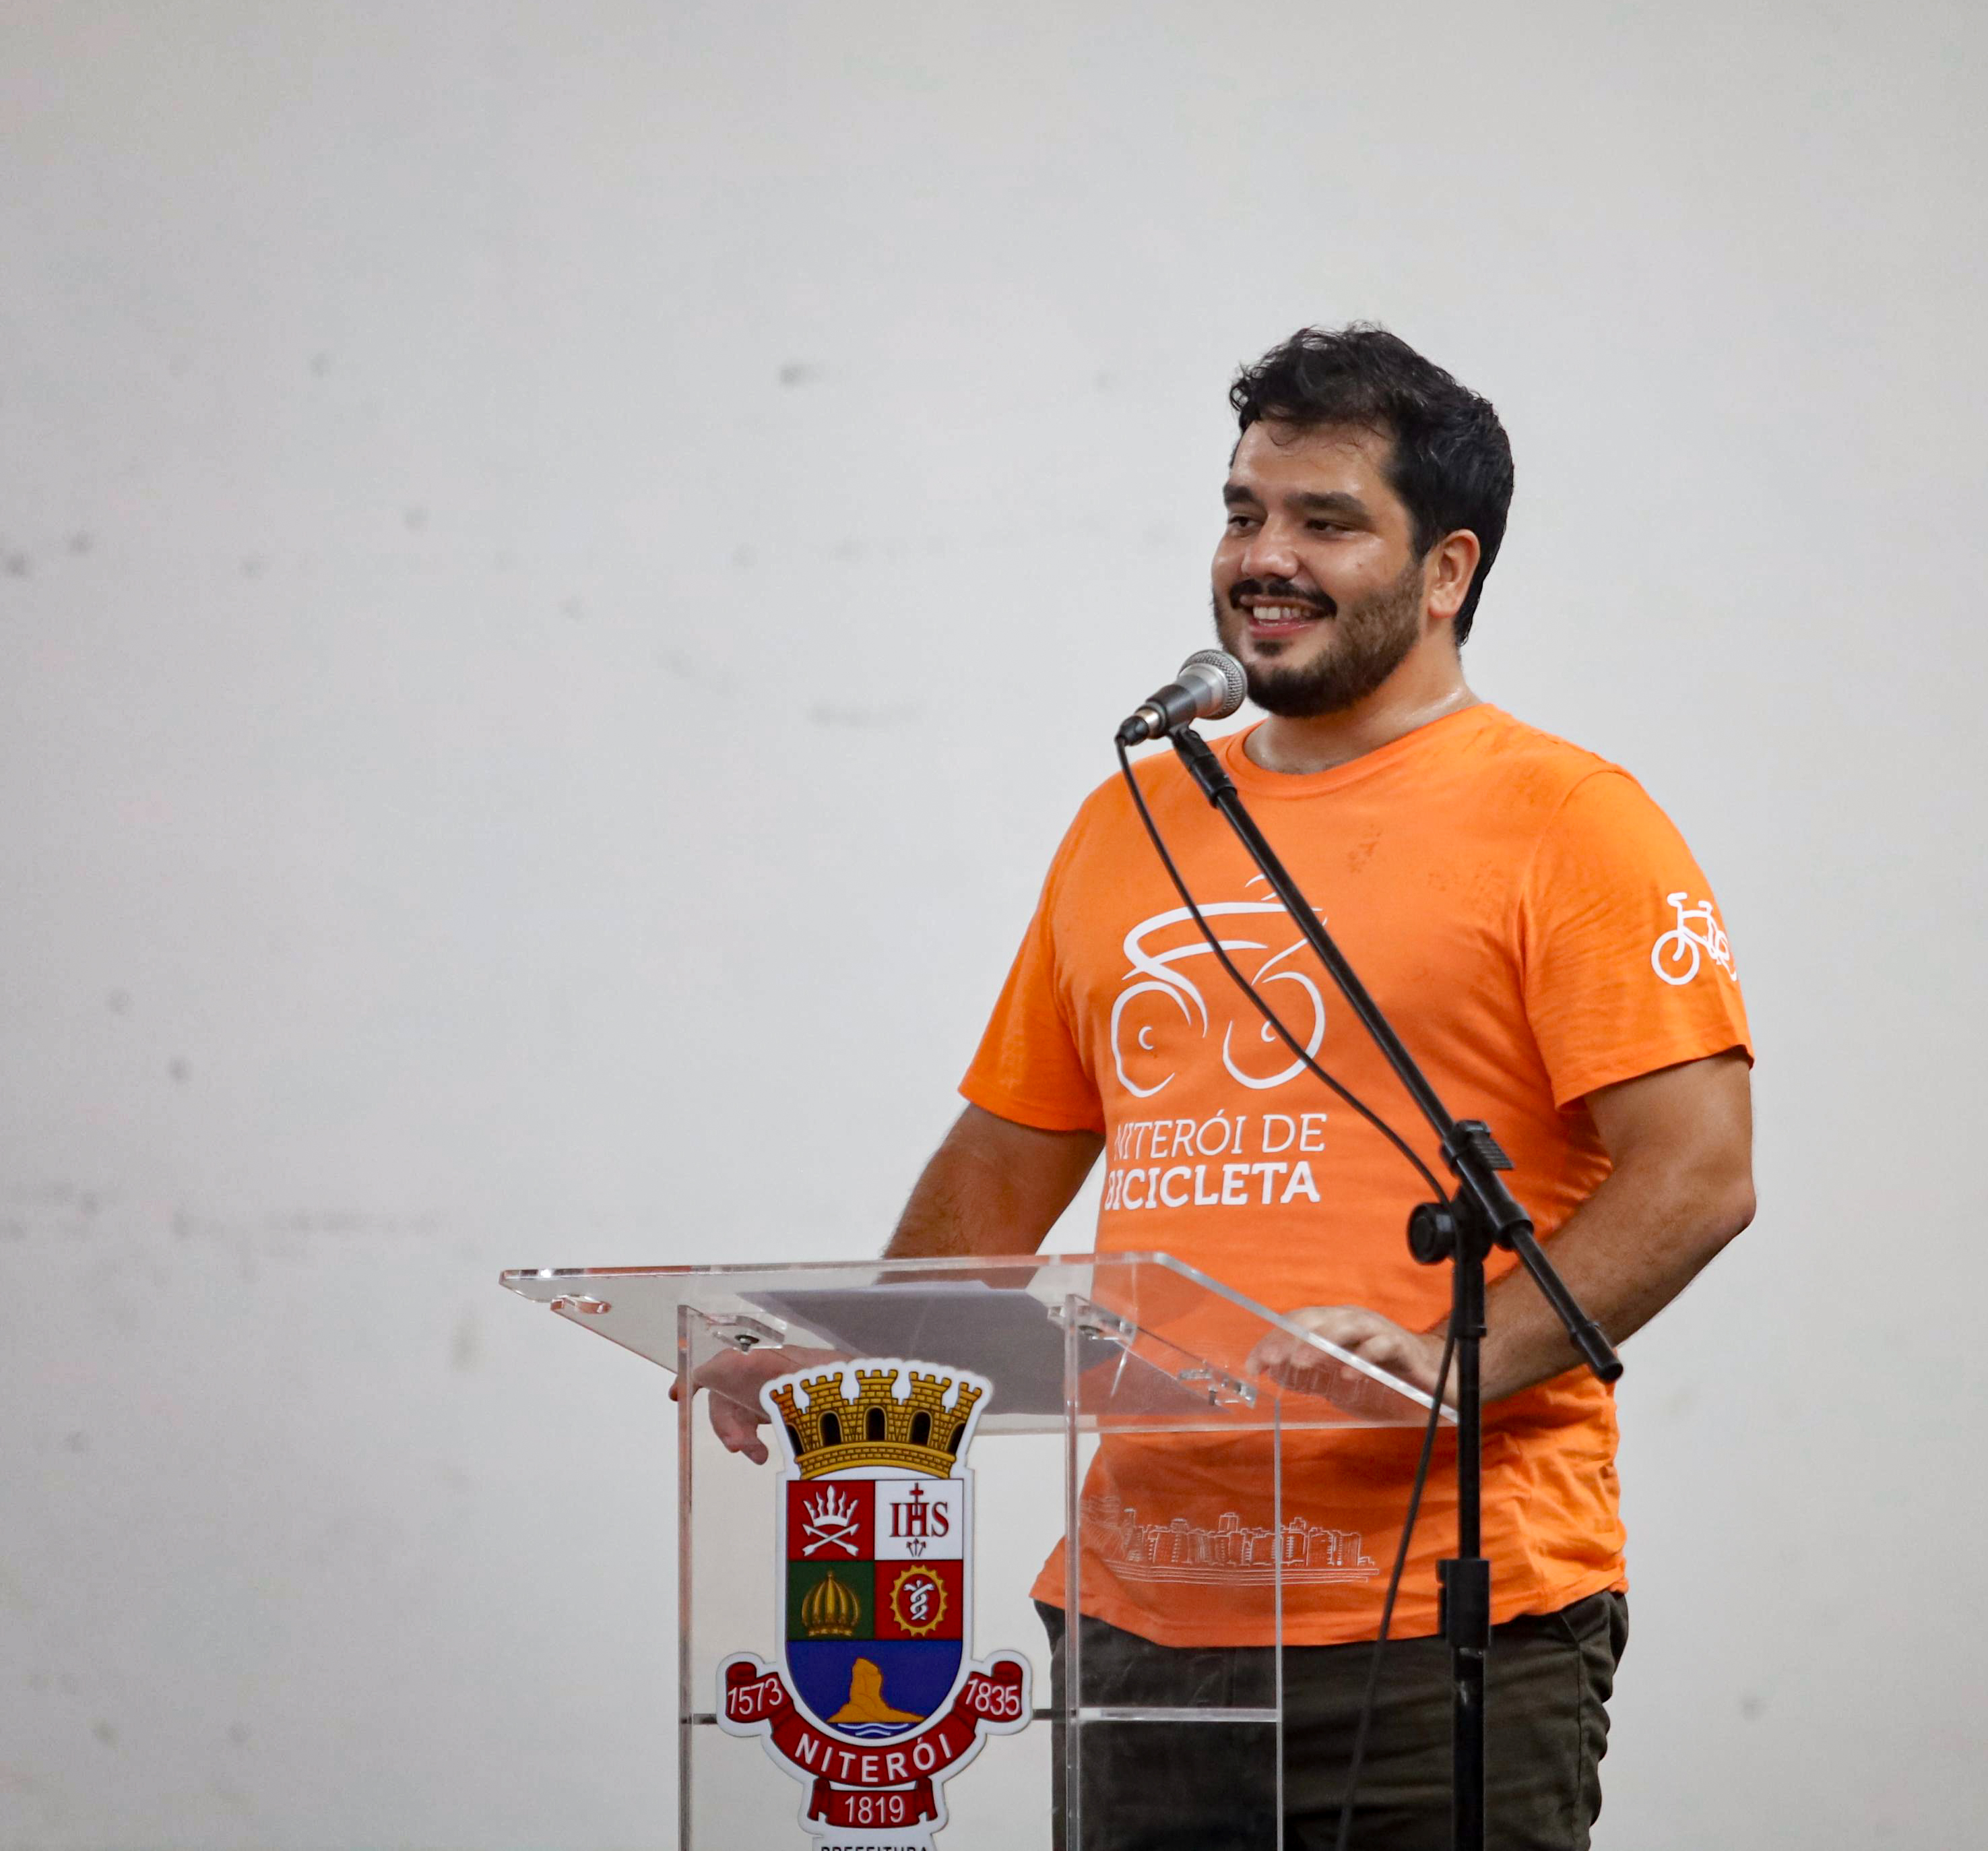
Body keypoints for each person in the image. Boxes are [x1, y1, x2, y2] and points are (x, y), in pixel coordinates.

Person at [695, 323, 1755, 1850]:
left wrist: (1459, 1361)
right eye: (1244, 510)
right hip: (1142, 1617)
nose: (1265, 555)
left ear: (1446, 569)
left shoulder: (1568, 821)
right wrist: (851, 1362)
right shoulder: (1130, 822)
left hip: (1441, 1620)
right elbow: (1005, 1160)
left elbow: (1697, 1170)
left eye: (1325, 520)